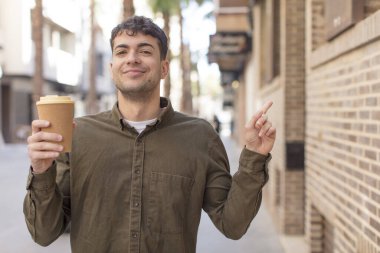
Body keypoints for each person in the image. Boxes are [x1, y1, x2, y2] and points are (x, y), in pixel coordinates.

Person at [24, 16, 276, 253]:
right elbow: (45, 233)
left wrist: (253, 157)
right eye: (122, 51)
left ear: (164, 68)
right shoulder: (77, 135)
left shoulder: (200, 136)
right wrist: (41, 171)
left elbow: (232, 225)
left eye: (145, 51)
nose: (132, 58)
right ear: (112, 68)